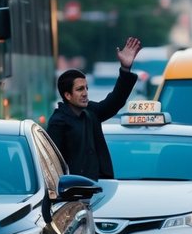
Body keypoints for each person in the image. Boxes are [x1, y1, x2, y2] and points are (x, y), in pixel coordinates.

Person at [48, 37, 142, 179]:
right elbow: (52, 165)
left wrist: (125, 69)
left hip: (102, 188)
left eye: (86, 88)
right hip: (75, 193)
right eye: (80, 89)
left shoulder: (91, 112)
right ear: (67, 95)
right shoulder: (58, 122)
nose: (85, 93)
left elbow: (115, 102)